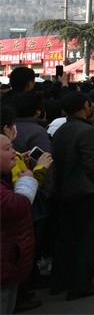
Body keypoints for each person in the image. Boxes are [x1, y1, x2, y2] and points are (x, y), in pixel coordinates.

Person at [49, 91, 94, 301]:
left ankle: (59, 281)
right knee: (85, 238)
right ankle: (80, 285)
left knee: (65, 237)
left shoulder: (62, 130)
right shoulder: (86, 131)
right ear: (85, 106)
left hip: (64, 191)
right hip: (84, 191)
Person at [1, 134, 40, 315]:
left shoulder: (4, 177)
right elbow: (16, 206)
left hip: (9, 266)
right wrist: (29, 178)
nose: (14, 152)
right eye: (7, 148)